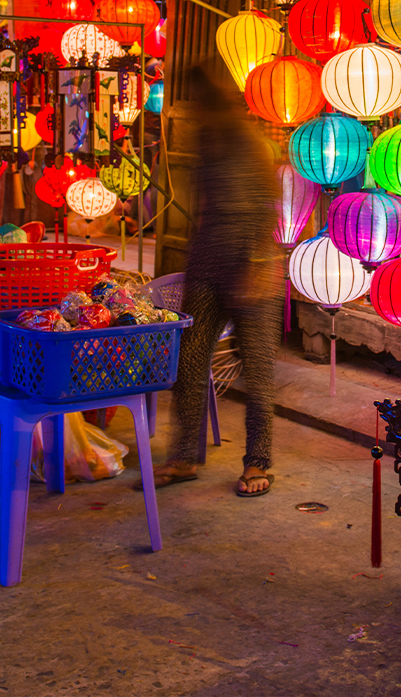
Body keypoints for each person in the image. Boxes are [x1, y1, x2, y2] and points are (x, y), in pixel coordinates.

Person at [149, 66, 280, 498]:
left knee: (257, 373)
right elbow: (205, 206)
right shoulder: (206, 140)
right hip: (207, 260)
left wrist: (258, 265)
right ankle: (183, 455)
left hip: (251, 264)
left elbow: (267, 205)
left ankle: (258, 460)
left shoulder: (248, 142)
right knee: (188, 364)